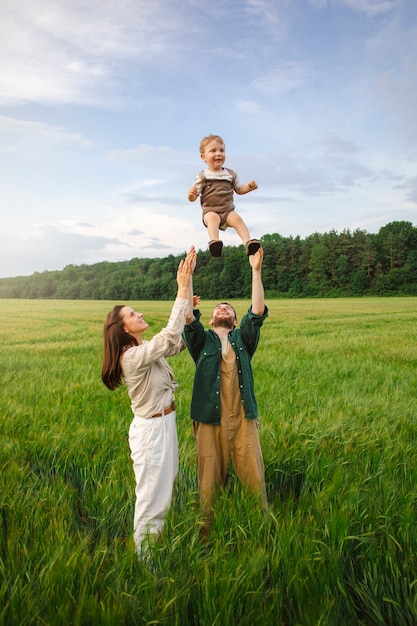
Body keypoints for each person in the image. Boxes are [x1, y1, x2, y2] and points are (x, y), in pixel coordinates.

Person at [101, 247, 196, 557]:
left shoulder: (145, 352)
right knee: (151, 498)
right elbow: (168, 336)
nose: (138, 314)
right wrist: (181, 289)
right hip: (151, 432)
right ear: (122, 328)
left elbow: (177, 343)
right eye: (132, 314)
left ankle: (153, 554)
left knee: (164, 491)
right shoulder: (131, 358)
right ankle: (145, 564)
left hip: (164, 424)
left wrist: (188, 289)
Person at [183, 247, 268, 537]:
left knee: (254, 477)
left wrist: (255, 270)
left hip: (243, 417)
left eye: (228, 309)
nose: (222, 309)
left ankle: (261, 530)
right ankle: (205, 535)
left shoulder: (243, 338)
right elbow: (186, 317)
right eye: (218, 308)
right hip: (209, 419)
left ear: (234, 320)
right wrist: (189, 277)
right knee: (208, 480)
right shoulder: (202, 341)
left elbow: (257, 312)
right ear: (210, 319)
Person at [187, 134, 261, 257]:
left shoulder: (231, 174)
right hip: (210, 211)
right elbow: (194, 197)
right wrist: (191, 195)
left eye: (222, 150)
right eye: (213, 151)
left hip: (227, 211)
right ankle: (215, 243)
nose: (218, 154)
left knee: (238, 220)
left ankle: (248, 243)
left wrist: (248, 187)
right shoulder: (203, 176)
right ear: (203, 157)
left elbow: (239, 189)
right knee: (212, 219)